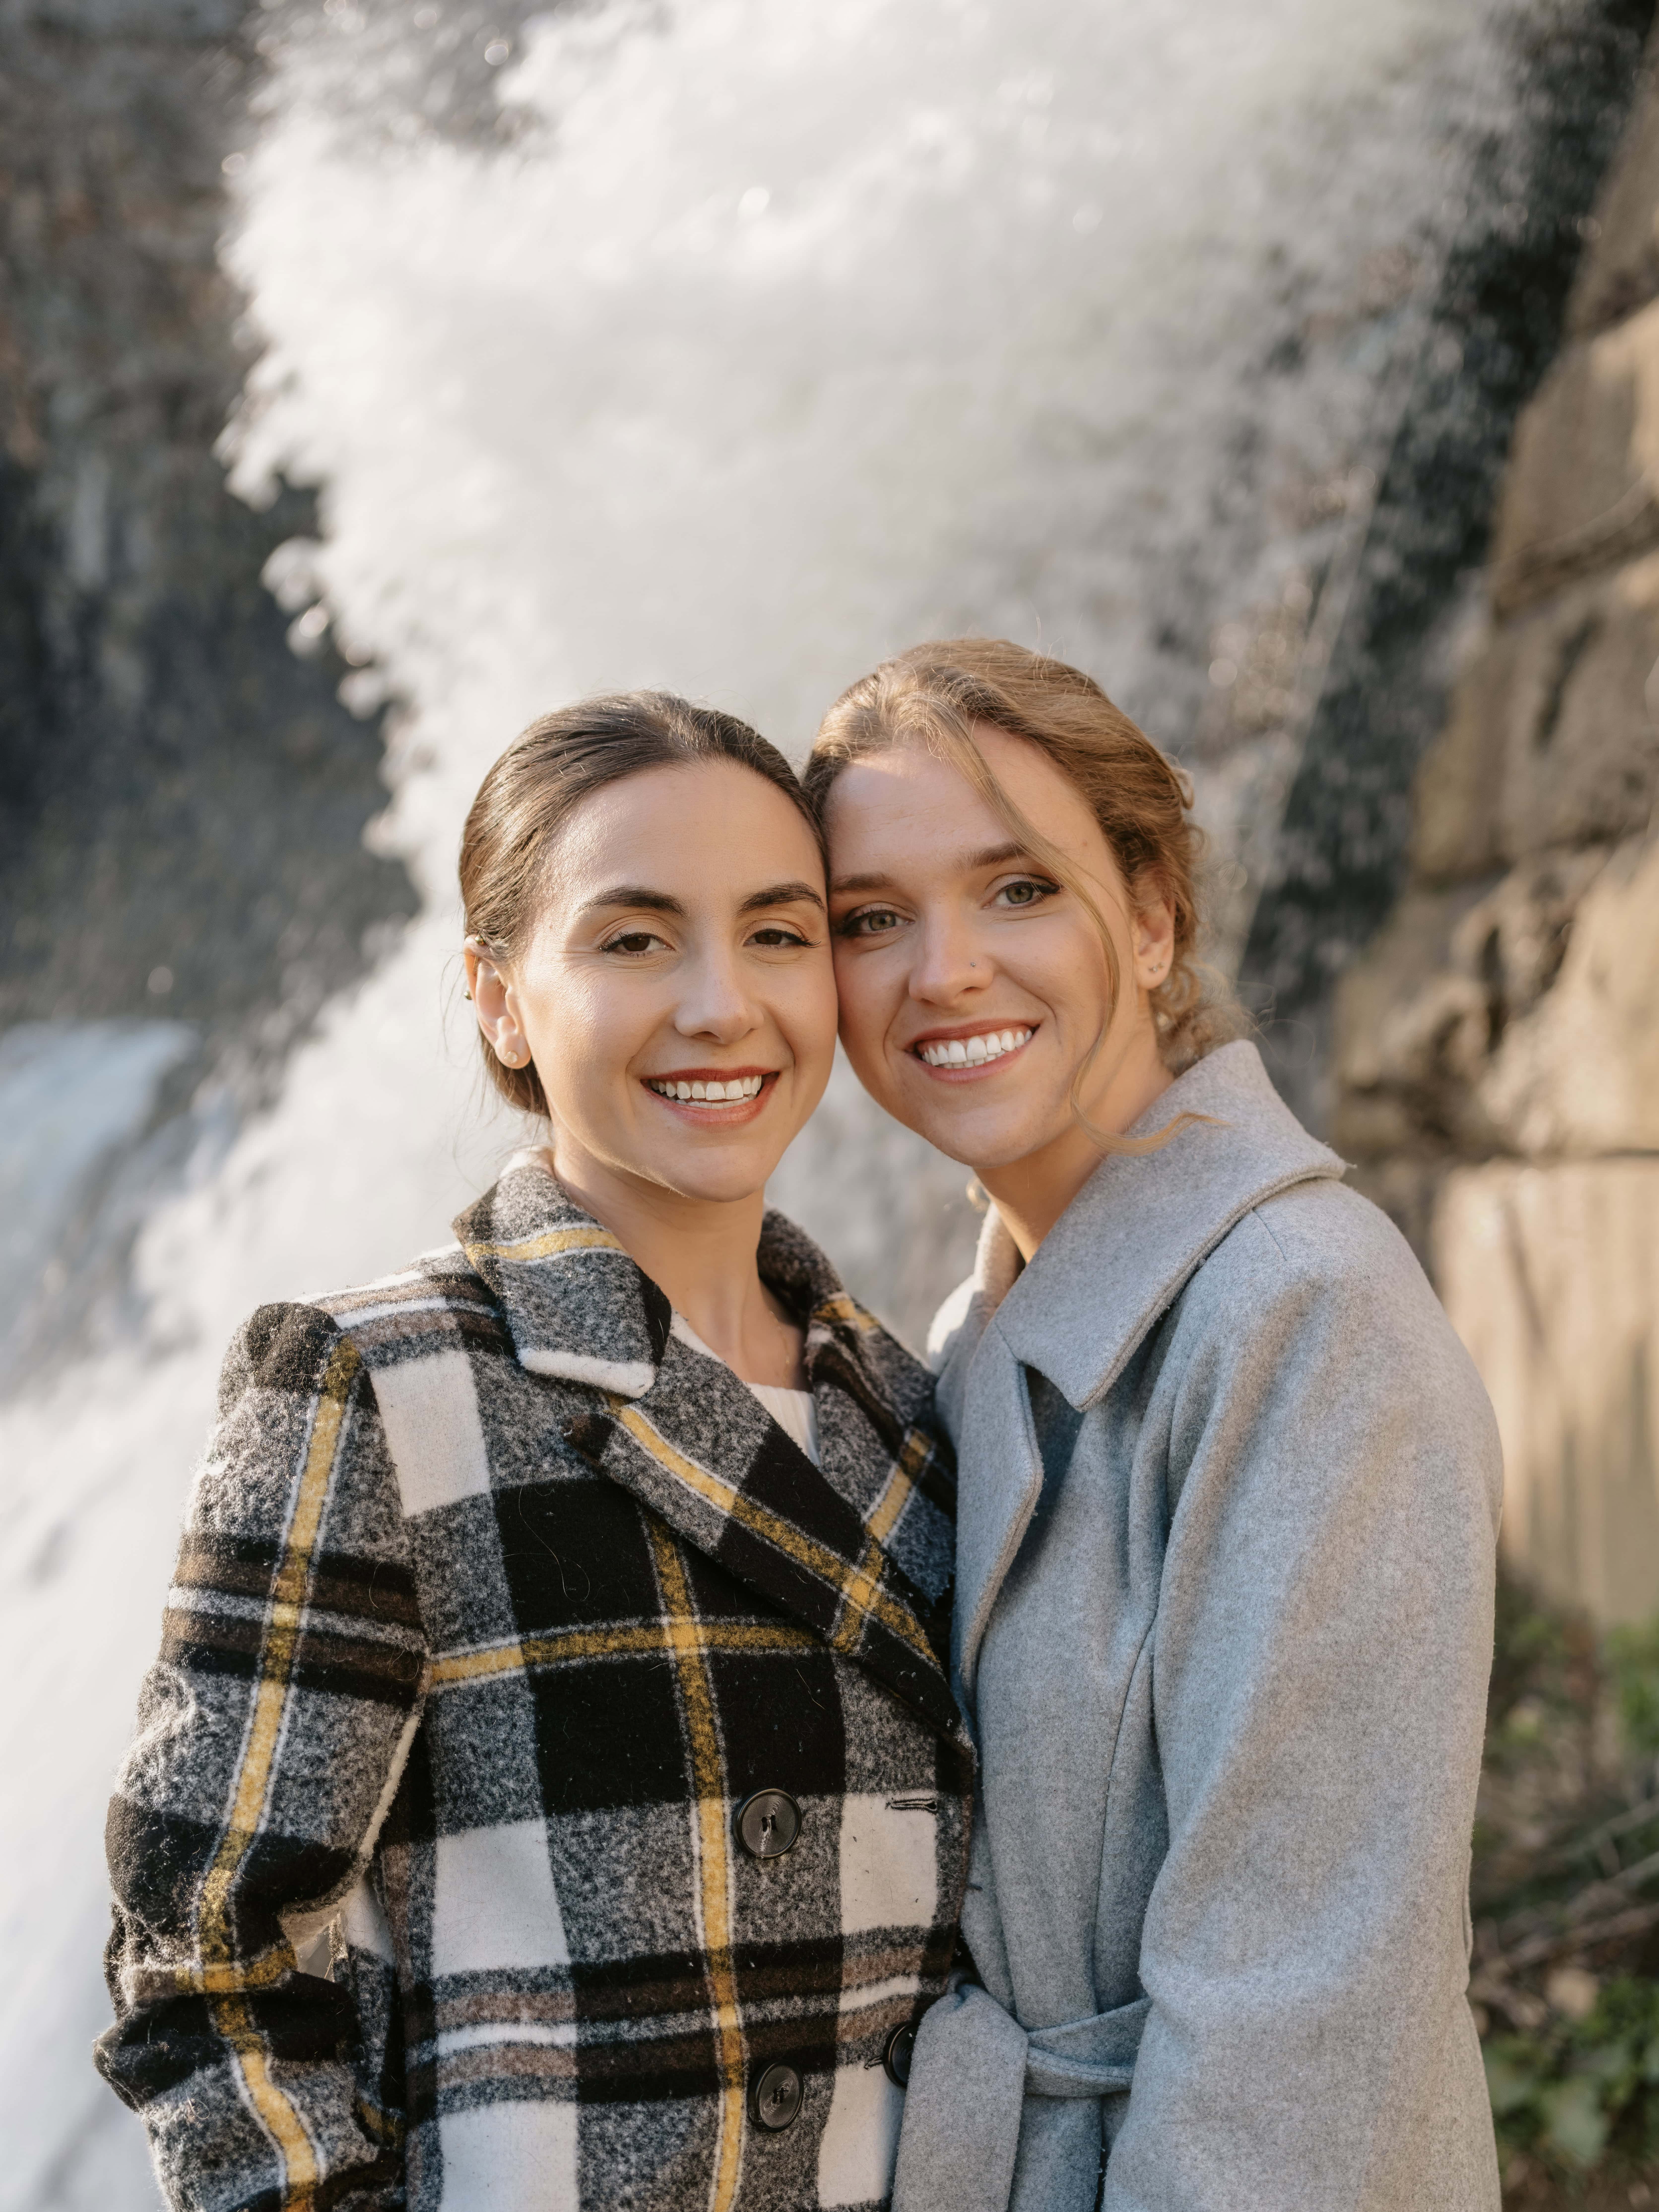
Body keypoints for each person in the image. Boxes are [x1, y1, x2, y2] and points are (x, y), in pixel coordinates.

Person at [96, 692, 970, 2212]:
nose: (721, 1006)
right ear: (500, 998)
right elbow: (206, 1965)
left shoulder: (909, 1406)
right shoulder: (377, 1380)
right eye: (635, 939)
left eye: (778, 933)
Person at [806, 639, 1503, 2212]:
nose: (947, 970)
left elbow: (1298, 2038)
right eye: (871, 920)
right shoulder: (975, 1335)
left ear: (1151, 909)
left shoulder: (1302, 1315)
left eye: (1019, 890)